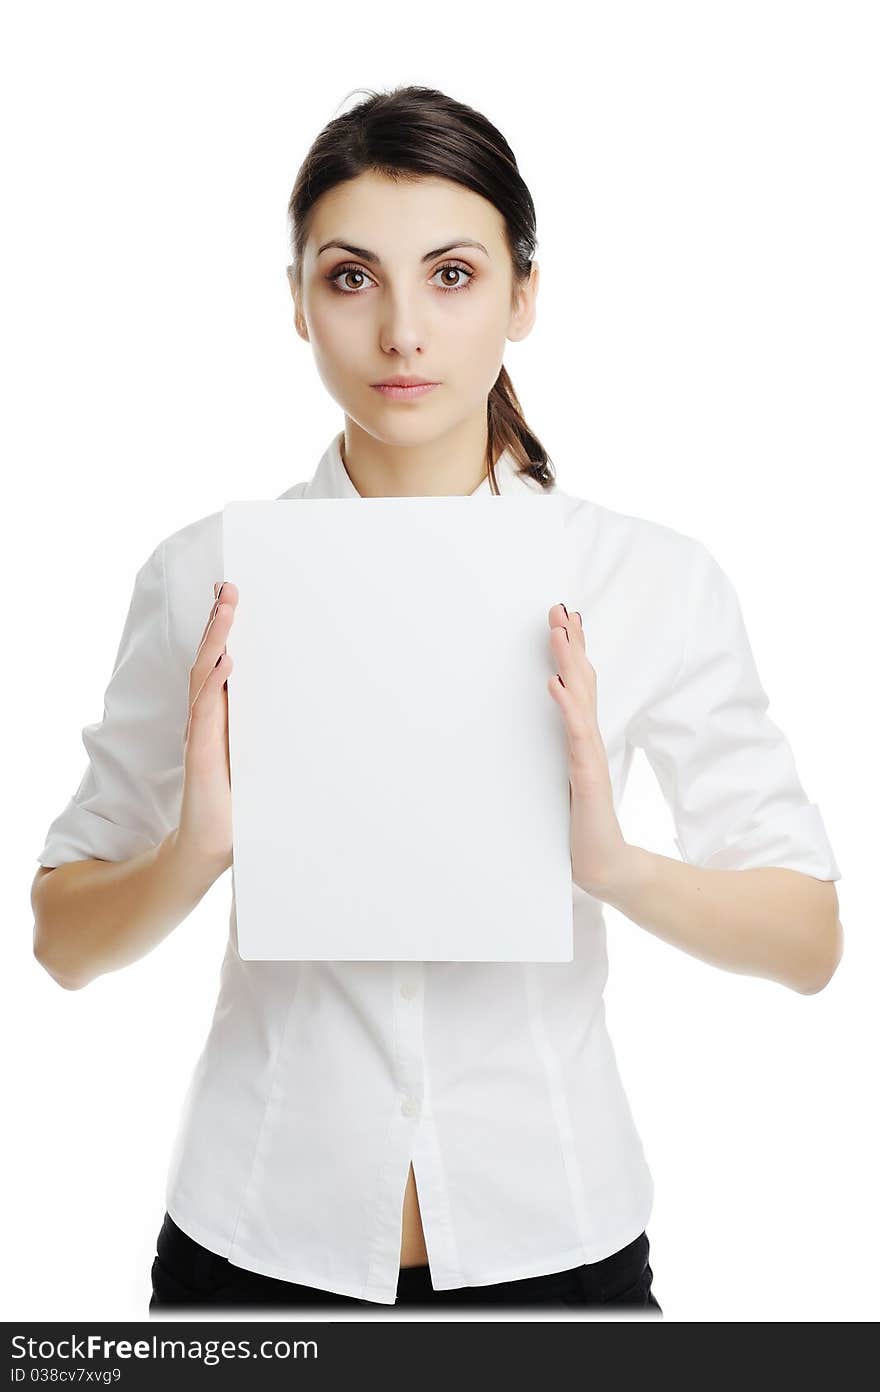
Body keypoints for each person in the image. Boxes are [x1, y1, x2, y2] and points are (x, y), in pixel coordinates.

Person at [31, 84, 842, 1318]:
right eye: (351, 278)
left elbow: (808, 942)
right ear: (297, 303)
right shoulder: (205, 576)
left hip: (556, 1247)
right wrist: (196, 854)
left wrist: (610, 867)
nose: (402, 331)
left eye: (452, 276)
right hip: (252, 1250)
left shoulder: (647, 580)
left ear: (523, 292)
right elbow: (61, 941)